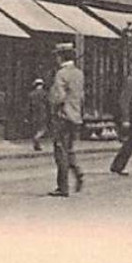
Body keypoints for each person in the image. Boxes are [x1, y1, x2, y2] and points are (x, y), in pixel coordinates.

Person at [47, 43, 85, 197]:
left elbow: (59, 96)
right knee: (68, 148)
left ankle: (63, 187)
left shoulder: (61, 74)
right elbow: (81, 96)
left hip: (62, 116)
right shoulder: (78, 73)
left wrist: (51, 102)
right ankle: (77, 171)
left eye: (57, 55)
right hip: (75, 116)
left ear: (61, 56)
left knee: (59, 151)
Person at [26, 78, 48, 152]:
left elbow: (28, 106)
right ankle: (37, 139)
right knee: (43, 129)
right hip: (42, 113)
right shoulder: (44, 93)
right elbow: (48, 104)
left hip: (34, 114)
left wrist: (27, 116)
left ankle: (36, 145)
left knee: (35, 129)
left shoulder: (31, 94)